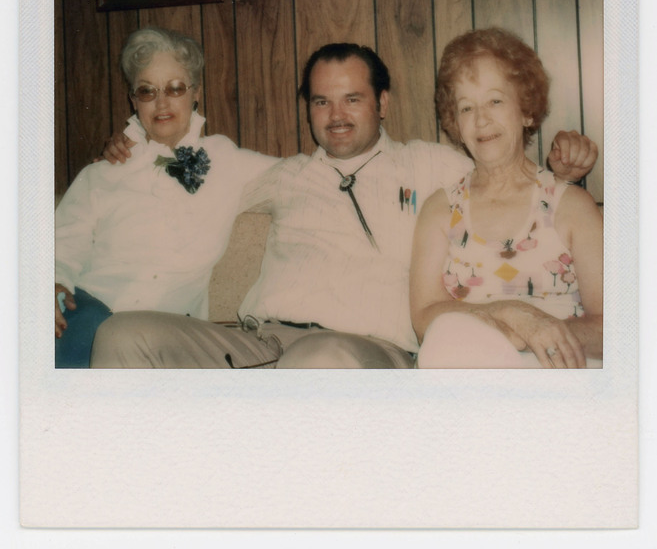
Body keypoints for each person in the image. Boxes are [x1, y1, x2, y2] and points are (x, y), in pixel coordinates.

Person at [89, 41, 598, 369]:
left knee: (319, 361)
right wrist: (136, 149)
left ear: (383, 103)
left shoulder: (431, 168)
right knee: (123, 336)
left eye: (353, 99)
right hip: (259, 345)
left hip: (363, 351)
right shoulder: (281, 175)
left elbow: (504, 171)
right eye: (320, 101)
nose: (335, 115)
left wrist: (567, 171)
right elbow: (185, 178)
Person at [54, 26, 276, 367]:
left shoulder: (226, 160)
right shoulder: (102, 174)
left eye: (174, 89)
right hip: (87, 314)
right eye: (147, 91)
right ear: (133, 100)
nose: (161, 103)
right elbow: (62, 246)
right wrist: (53, 285)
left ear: (195, 92)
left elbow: (302, 176)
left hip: (164, 335)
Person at [409, 28, 603, 369]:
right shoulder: (440, 210)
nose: (481, 118)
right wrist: (515, 316)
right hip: (469, 369)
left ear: (526, 110)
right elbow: (425, 317)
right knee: (445, 340)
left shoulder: (571, 205)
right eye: (466, 107)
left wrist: (540, 333)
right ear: (455, 123)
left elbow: (612, 326)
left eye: (495, 101)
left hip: (558, 373)